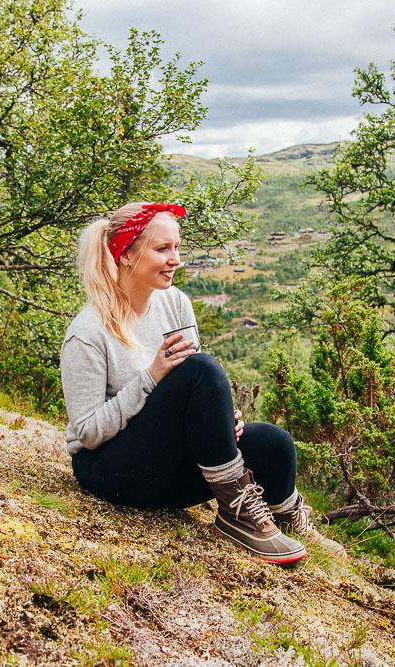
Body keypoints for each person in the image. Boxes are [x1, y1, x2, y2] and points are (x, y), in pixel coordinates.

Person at [60, 201, 343, 564]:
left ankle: (289, 518)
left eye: (177, 247)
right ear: (127, 255)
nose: (175, 259)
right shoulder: (88, 333)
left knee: (274, 442)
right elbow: (87, 434)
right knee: (202, 369)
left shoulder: (175, 302)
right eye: (162, 249)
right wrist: (151, 376)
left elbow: (194, 394)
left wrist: (220, 418)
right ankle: (240, 517)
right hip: (111, 472)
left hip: (165, 468)